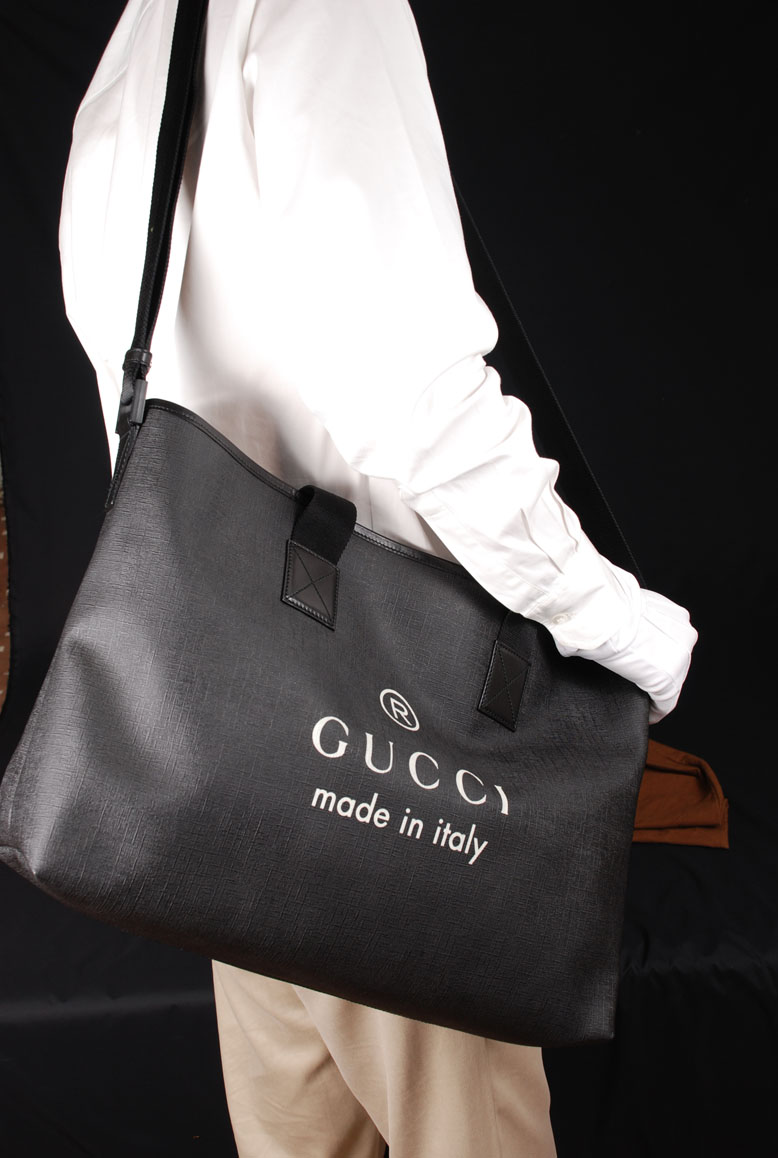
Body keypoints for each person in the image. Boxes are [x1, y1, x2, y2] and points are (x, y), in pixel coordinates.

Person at [58, 0, 697, 1154]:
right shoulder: (322, 11)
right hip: (386, 759)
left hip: (227, 750)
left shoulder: (144, 35)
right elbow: (423, 407)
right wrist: (628, 639)